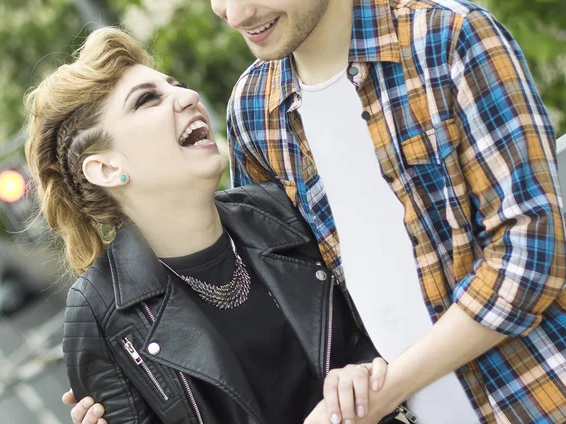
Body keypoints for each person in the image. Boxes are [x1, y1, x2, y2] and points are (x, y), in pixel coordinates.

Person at [68, 0, 566, 423]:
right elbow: (308, 315)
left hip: (536, 400)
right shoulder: (254, 110)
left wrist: (387, 387)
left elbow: (532, 254)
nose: (235, 14)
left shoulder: (445, 38)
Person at [25, 27, 406, 424]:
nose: (188, 97)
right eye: (148, 100)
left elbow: (381, 325)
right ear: (106, 168)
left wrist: (364, 372)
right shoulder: (101, 315)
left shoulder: (277, 212)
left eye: (178, 86)